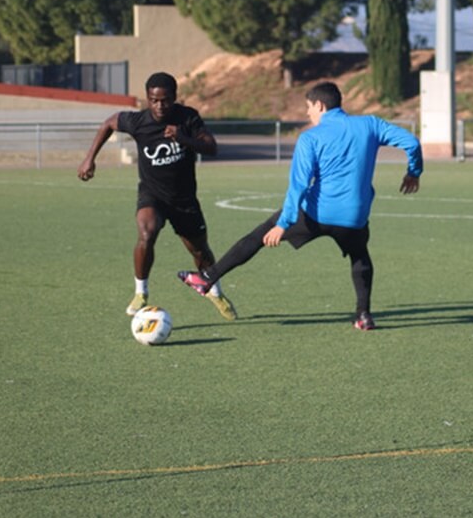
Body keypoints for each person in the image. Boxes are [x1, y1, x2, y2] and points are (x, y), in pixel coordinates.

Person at [177, 81, 422, 331]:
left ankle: (206, 278)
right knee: (360, 257)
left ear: (320, 104)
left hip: (316, 213)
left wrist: (283, 224)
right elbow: (411, 143)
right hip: (354, 216)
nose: (307, 113)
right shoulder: (370, 124)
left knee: (257, 236)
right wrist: (413, 172)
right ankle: (364, 315)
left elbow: (299, 185)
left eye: (308, 107)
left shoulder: (310, 138)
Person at [77, 71, 236, 321]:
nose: (159, 106)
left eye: (165, 100)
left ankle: (214, 292)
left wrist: (182, 138)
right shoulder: (138, 121)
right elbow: (108, 123)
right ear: (147, 99)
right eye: (154, 100)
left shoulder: (188, 117)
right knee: (146, 233)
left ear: (175, 98)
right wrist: (90, 158)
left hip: (184, 200)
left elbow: (211, 147)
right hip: (153, 194)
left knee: (199, 252)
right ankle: (141, 292)